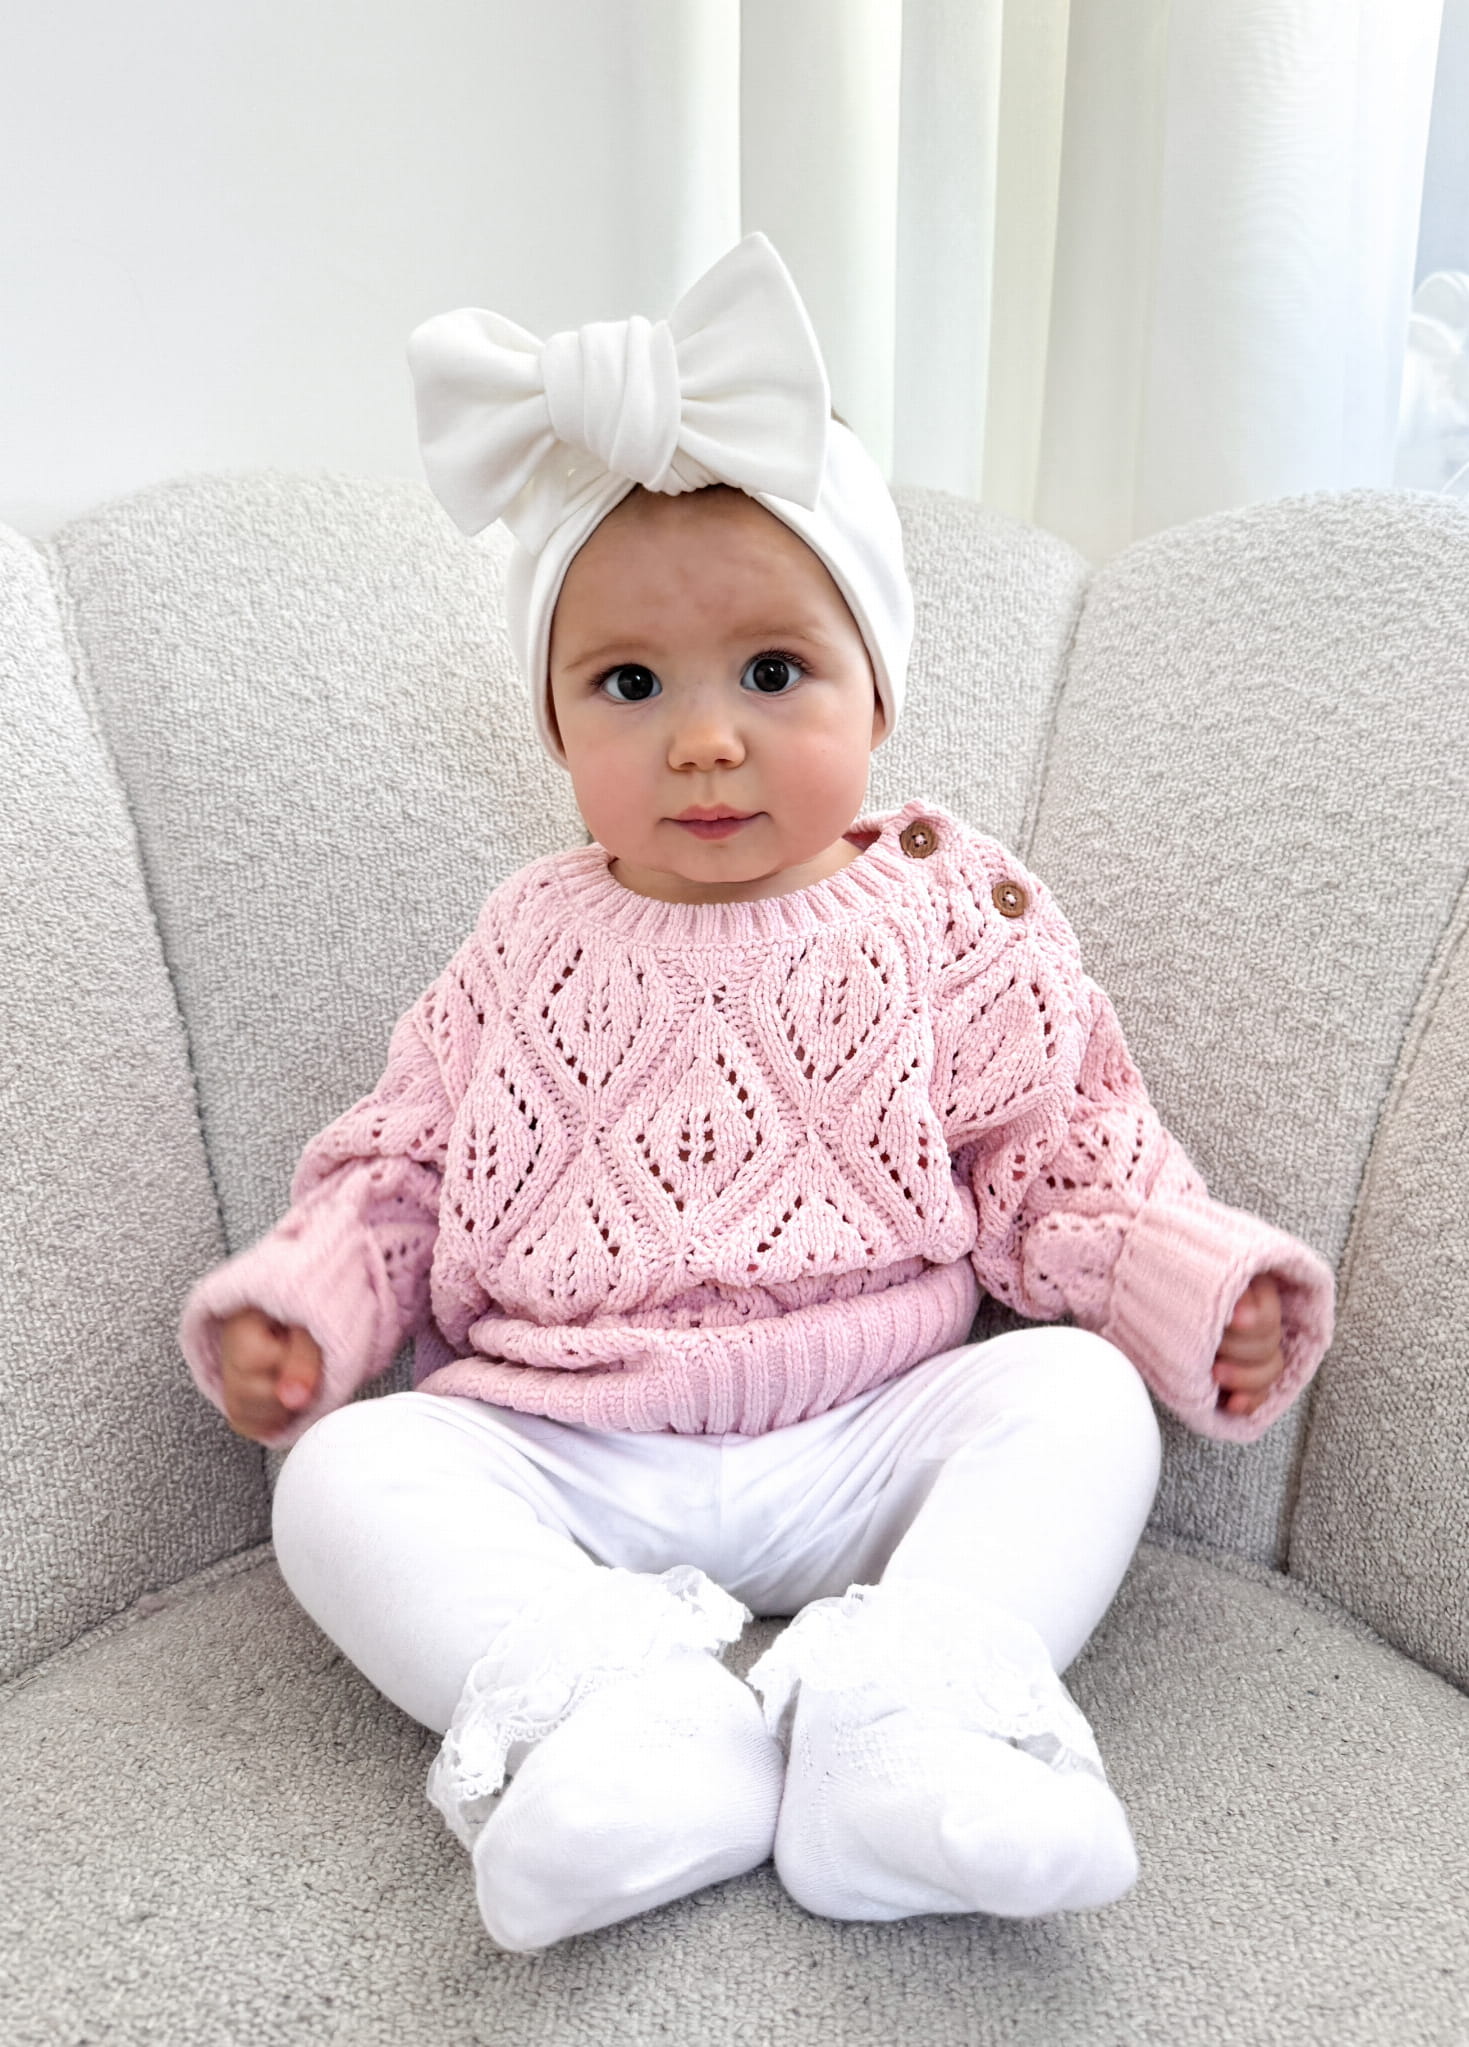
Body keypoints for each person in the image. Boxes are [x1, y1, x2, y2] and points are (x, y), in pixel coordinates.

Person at [177, 231, 1336, 1954]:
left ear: (878, 687)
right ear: (556, 725)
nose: (703, 738)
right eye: (628, 685)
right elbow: (404, 1166)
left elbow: (1055, 1157)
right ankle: (636, 1734)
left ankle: (903, 1734)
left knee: (1075, 1400)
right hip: (569, 1450)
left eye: (772, 674)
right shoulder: (524, 937)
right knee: (345, 1479)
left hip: (868, 1438)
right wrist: (313, 1305)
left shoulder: (942, 908)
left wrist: (1187, 1285)